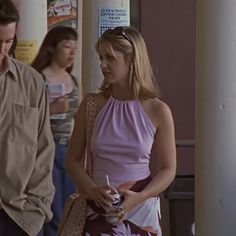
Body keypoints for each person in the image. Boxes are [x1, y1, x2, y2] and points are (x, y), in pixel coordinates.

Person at [66, 26, 177, 235]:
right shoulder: (91, 104)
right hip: (96, 206)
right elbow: (72, 160)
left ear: (132, 60)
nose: (103, 65)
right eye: (101, 57)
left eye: (110, 58)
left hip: (140, 206)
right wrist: (91, 191)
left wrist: (141, 196)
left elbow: (168, 169)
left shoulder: (158, 110)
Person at [0, 0, 55, 236]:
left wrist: (37, 207)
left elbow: (44, 147)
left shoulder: (31, 82)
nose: (2, 49)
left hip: (21, 215)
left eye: (8, 41)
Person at [31, 26, 82, 236]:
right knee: (53, 208)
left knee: (70, 205)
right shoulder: (37, 78)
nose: (72, 53)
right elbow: (26, 119)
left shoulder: (73, 80)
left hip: (68, 149)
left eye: (75, 48)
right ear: (52, 49)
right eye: (66, 47)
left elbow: (79, 118)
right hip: (45, 149)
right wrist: (51, 109)